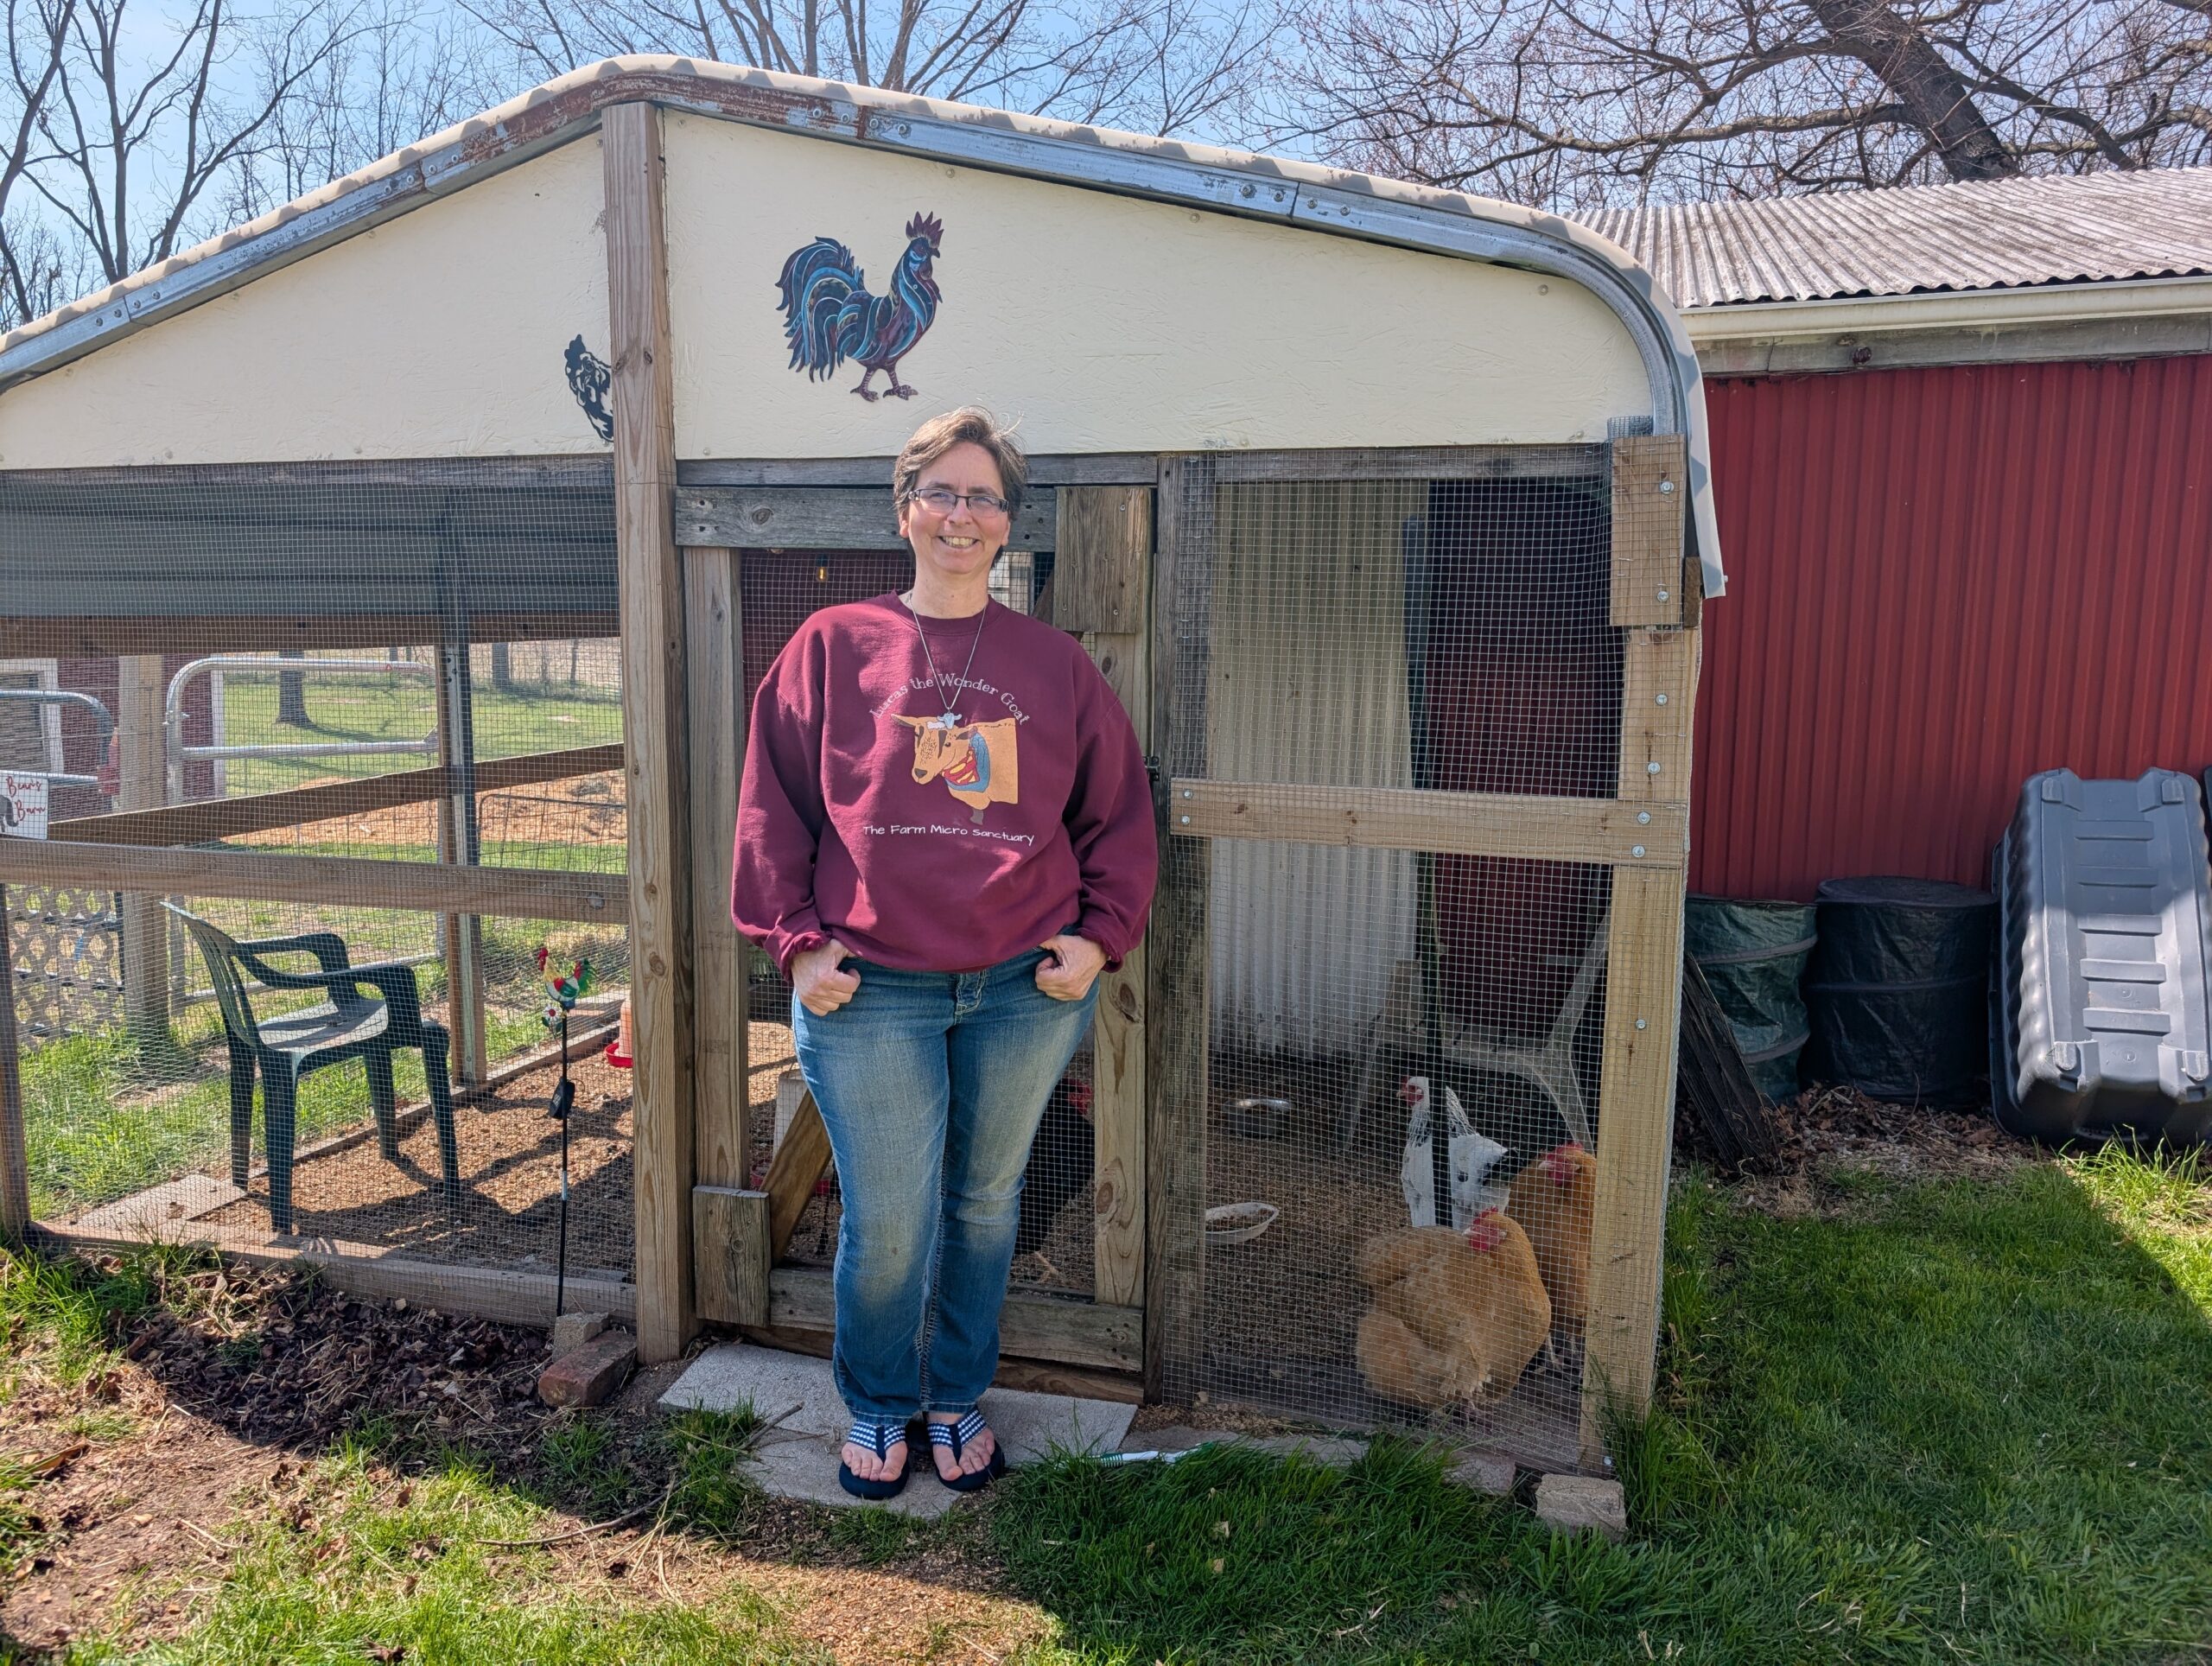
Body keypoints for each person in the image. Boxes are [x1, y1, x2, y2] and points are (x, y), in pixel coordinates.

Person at [732, 407, 1159, 1498]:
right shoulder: (832, 645)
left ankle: (955, 1393)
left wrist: (1097, 937)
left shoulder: (1055, 666)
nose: (959, 514)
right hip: (869, 989)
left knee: (983, 1202)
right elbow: (772, 807)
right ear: (904, 508)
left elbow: (1118, 814)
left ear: (1007, 522)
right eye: (940, 491)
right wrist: (796, 945)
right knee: (887, 1218)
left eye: (982, 497)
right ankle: (880, 1401)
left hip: (1023, 987)